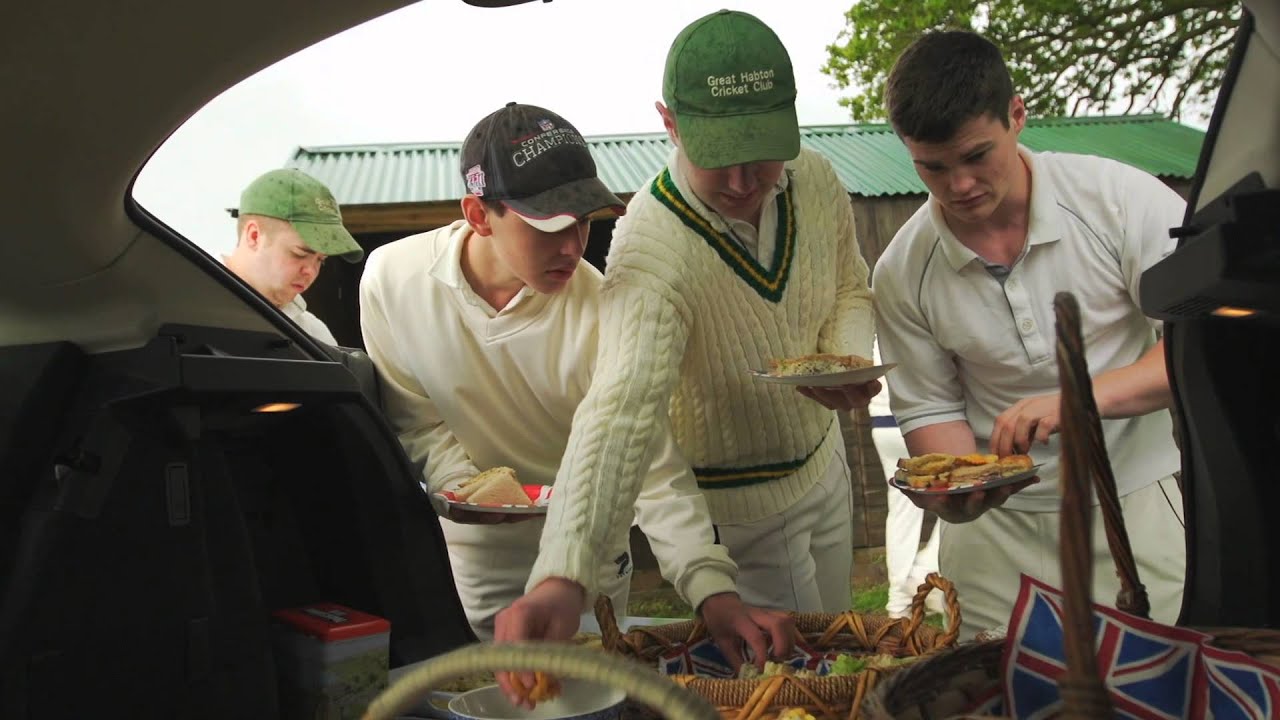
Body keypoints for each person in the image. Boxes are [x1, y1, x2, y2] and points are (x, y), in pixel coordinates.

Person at [496, 9, 878, 669]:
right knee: (790, 679)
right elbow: (620, 409)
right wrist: (564, 572)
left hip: (824, 467)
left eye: (758, 154)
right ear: (669, 123)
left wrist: (843, 356)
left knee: (842, 655)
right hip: (741, 515)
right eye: (717, 159)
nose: (740, 184)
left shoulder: (816, 180)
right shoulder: (651, 243)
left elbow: (851, 286)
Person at [359, 102, 790, 657]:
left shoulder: (604, 308)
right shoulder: (392, 281)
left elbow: (652, 466)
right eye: (548, 225)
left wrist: (713, 592)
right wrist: (475, 489)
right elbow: (418, 420)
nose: (571, 246)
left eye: (583, 220)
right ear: (479, 213)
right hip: (480, 551)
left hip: (592, 560)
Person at [873, 30, 1187, 639]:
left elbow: (1199, 351)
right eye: (933, 167)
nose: (959, 185)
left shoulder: (1120, 203)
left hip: (1136, 506)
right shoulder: (902, 269)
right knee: (992, 695)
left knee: (1157, 691)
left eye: (976, 156)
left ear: (1017, 115)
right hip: (996, 538)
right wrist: (961, 490)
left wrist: (1080, 400)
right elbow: (933, 405)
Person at [224, 168, 362, 345]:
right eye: (300, 254)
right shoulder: (184, 305)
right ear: (254, 236)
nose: (311, 271)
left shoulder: (315, 334)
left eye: (321, 260)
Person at [869, 339, 942, 619]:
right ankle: (923, 570)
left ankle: (899, 606)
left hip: (883, 423)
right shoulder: (917, 304)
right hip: (920, 421)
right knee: (963, 490)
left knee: (901, 511)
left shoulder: (869, 320)